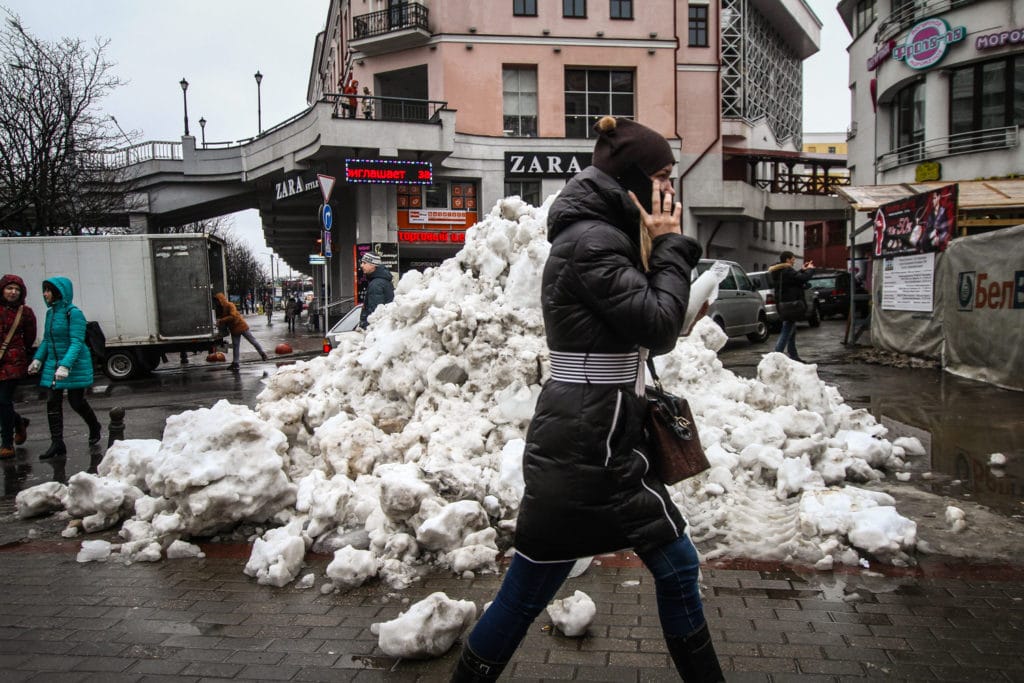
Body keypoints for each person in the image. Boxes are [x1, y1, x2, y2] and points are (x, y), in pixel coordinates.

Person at [450, 116, 723, 682]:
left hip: (603, 436)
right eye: (663, 177)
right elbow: (658, 325)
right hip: (587, 446)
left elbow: (636, 328)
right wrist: (671, 246)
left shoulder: (604, 235)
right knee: (530, 588)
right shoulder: (591, 242)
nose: (670, 190)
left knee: (672, 568)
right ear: (633, 179)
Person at [26, 277, 102, 460]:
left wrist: (65, 365)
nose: (45, 294)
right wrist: (37, 360)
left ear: (59, 292)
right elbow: (47, 340)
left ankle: (94, 425)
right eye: (44, 290)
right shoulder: (50, 314)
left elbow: (77, 342)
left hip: (73, 364)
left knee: (76, 402)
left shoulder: (73, 313)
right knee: (52, 402)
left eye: (48, 290)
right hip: (54, 364)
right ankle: (57, 443)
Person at [0, 275, 37, 459]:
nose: (13, 292)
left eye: (17, 289)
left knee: (4, 400)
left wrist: (17, 352)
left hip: (13, 362)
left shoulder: (25, 312)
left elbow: (29, 338)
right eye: (9, 288)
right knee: (1, 403)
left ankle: (6, 444)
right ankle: (19, 422)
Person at [769, 251, 815, 363]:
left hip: (784, 305)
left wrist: (802, 270)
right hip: (791, 305)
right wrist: (810, 269)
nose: (794, 260)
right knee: (786, 330)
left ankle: (793, 356)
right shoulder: (787, 270)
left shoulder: (780, 271)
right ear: (788, 259)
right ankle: (776, 357)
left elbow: (794, 279)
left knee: (791, 330)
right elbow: (802, 279)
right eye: (793, 258)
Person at [213, 293, 269, 371]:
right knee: (236, 347)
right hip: (234, 329)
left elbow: (233, 316)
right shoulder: (220, 309)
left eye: (217, 301)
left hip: (241, 326)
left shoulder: (230, 305)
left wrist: (221, 320)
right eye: (215, 301)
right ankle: (235, 363)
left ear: (221, 300)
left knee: (252, 341)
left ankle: (263, 354)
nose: (216, 303)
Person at [358, 253, 395, 330]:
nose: (361, 265)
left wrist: (367, 326)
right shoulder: (383, 281)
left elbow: (375, 312)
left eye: (364, 263)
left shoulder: (376, 284)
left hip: (377, 330)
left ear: (373, 265)